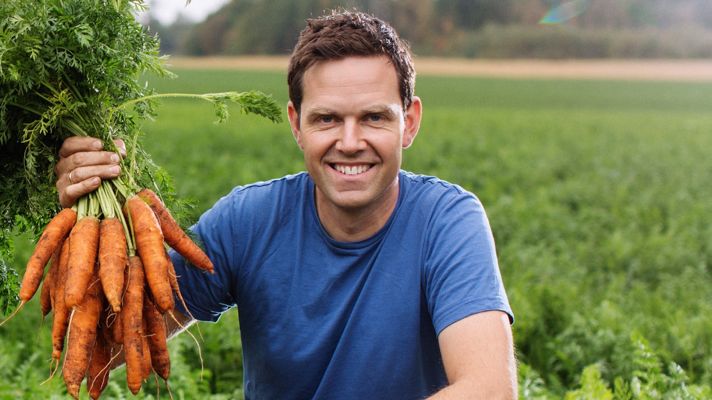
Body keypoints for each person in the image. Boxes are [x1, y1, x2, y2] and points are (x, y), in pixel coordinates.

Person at [55, 9, 516, 399]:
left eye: (374, 117)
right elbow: (106, 349)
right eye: (327, 119)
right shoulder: (248, 222)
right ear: (296, 125)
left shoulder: (446, 220)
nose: (350, 142)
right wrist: (85, 224)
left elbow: (489, 388)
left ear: (409, 122)